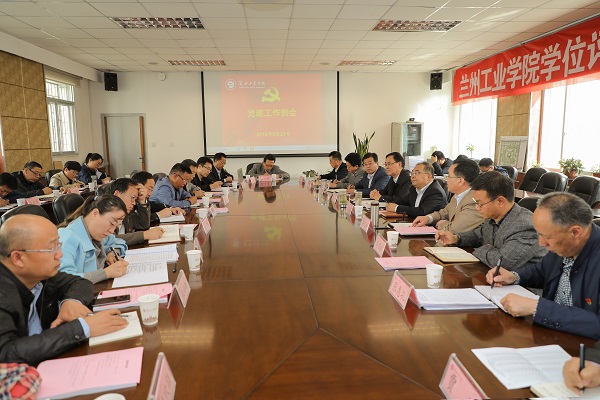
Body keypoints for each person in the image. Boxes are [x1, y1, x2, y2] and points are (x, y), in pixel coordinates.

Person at [0, 214, 128, 365]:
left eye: (58, 246)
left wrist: (71, 301)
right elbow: (7, 353)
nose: (59, 255)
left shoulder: (40, 275)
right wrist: (82, 328)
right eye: (51, 249)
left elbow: (79, 283)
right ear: (18, 258)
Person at [487, 192, 600, 339]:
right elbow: (542, 271)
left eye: (547, 237)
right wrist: (514, 276)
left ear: (575, 232)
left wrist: (537, 307)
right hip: (549, 333)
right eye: (539, 234)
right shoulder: (565, 244)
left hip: (583, 346)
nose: (541, 243)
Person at [58, 194, 129, 284]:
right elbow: (65, 280)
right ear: (95, 213)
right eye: (111, 223)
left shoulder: (94, 233)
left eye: (116, 226)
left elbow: (117, 241)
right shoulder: (66, 238)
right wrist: (106, 273)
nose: (112, 231)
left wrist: (112, 254)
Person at [412, 159, 484, 233]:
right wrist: (428, 218)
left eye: (449, 176)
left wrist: (441, 224)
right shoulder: (457, 196)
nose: (446, 180)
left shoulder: (474, 201)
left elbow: (454, 229)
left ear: (460, 181)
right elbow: (443, 213)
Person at [110, 178, 164, 245]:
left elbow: (143, 225)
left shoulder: (126, 213)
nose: (134, 203)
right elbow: (109, 240)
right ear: (117, 194)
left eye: (135, 199)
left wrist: (142, 200)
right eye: (132, 197)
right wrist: (144, 235)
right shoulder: (103, 213)